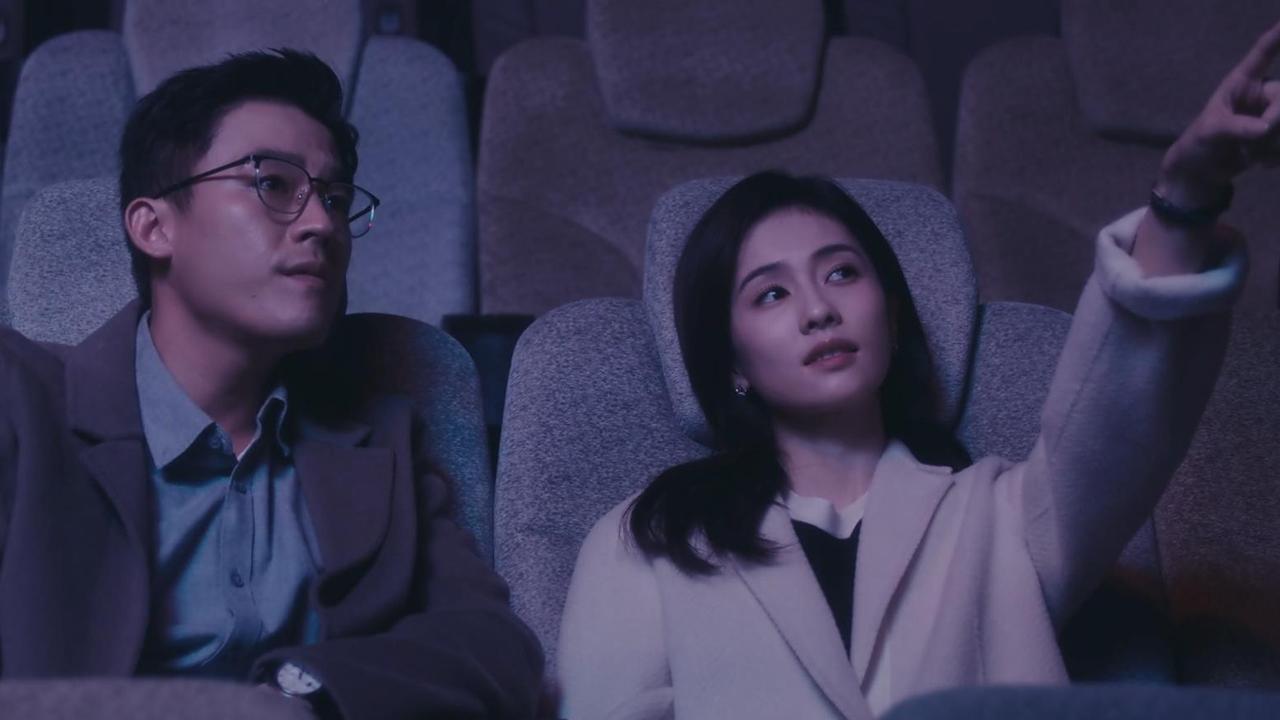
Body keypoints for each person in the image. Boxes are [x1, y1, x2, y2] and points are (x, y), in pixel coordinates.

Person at [556, 20, 1280, 720]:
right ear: (731, 363)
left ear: (893, 316)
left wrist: (1185, 195)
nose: (818, 309)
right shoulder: (647, 541)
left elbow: (1122, 418)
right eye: (771, 293)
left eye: (842, 273)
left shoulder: (1005, 519)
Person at [0, 50, 542, 719]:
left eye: (335, 199)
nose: (322, 224)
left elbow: (496, 649)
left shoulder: (382, 441)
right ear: (154, 227)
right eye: (273, 184)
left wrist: (299, 691)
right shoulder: (20, 402)